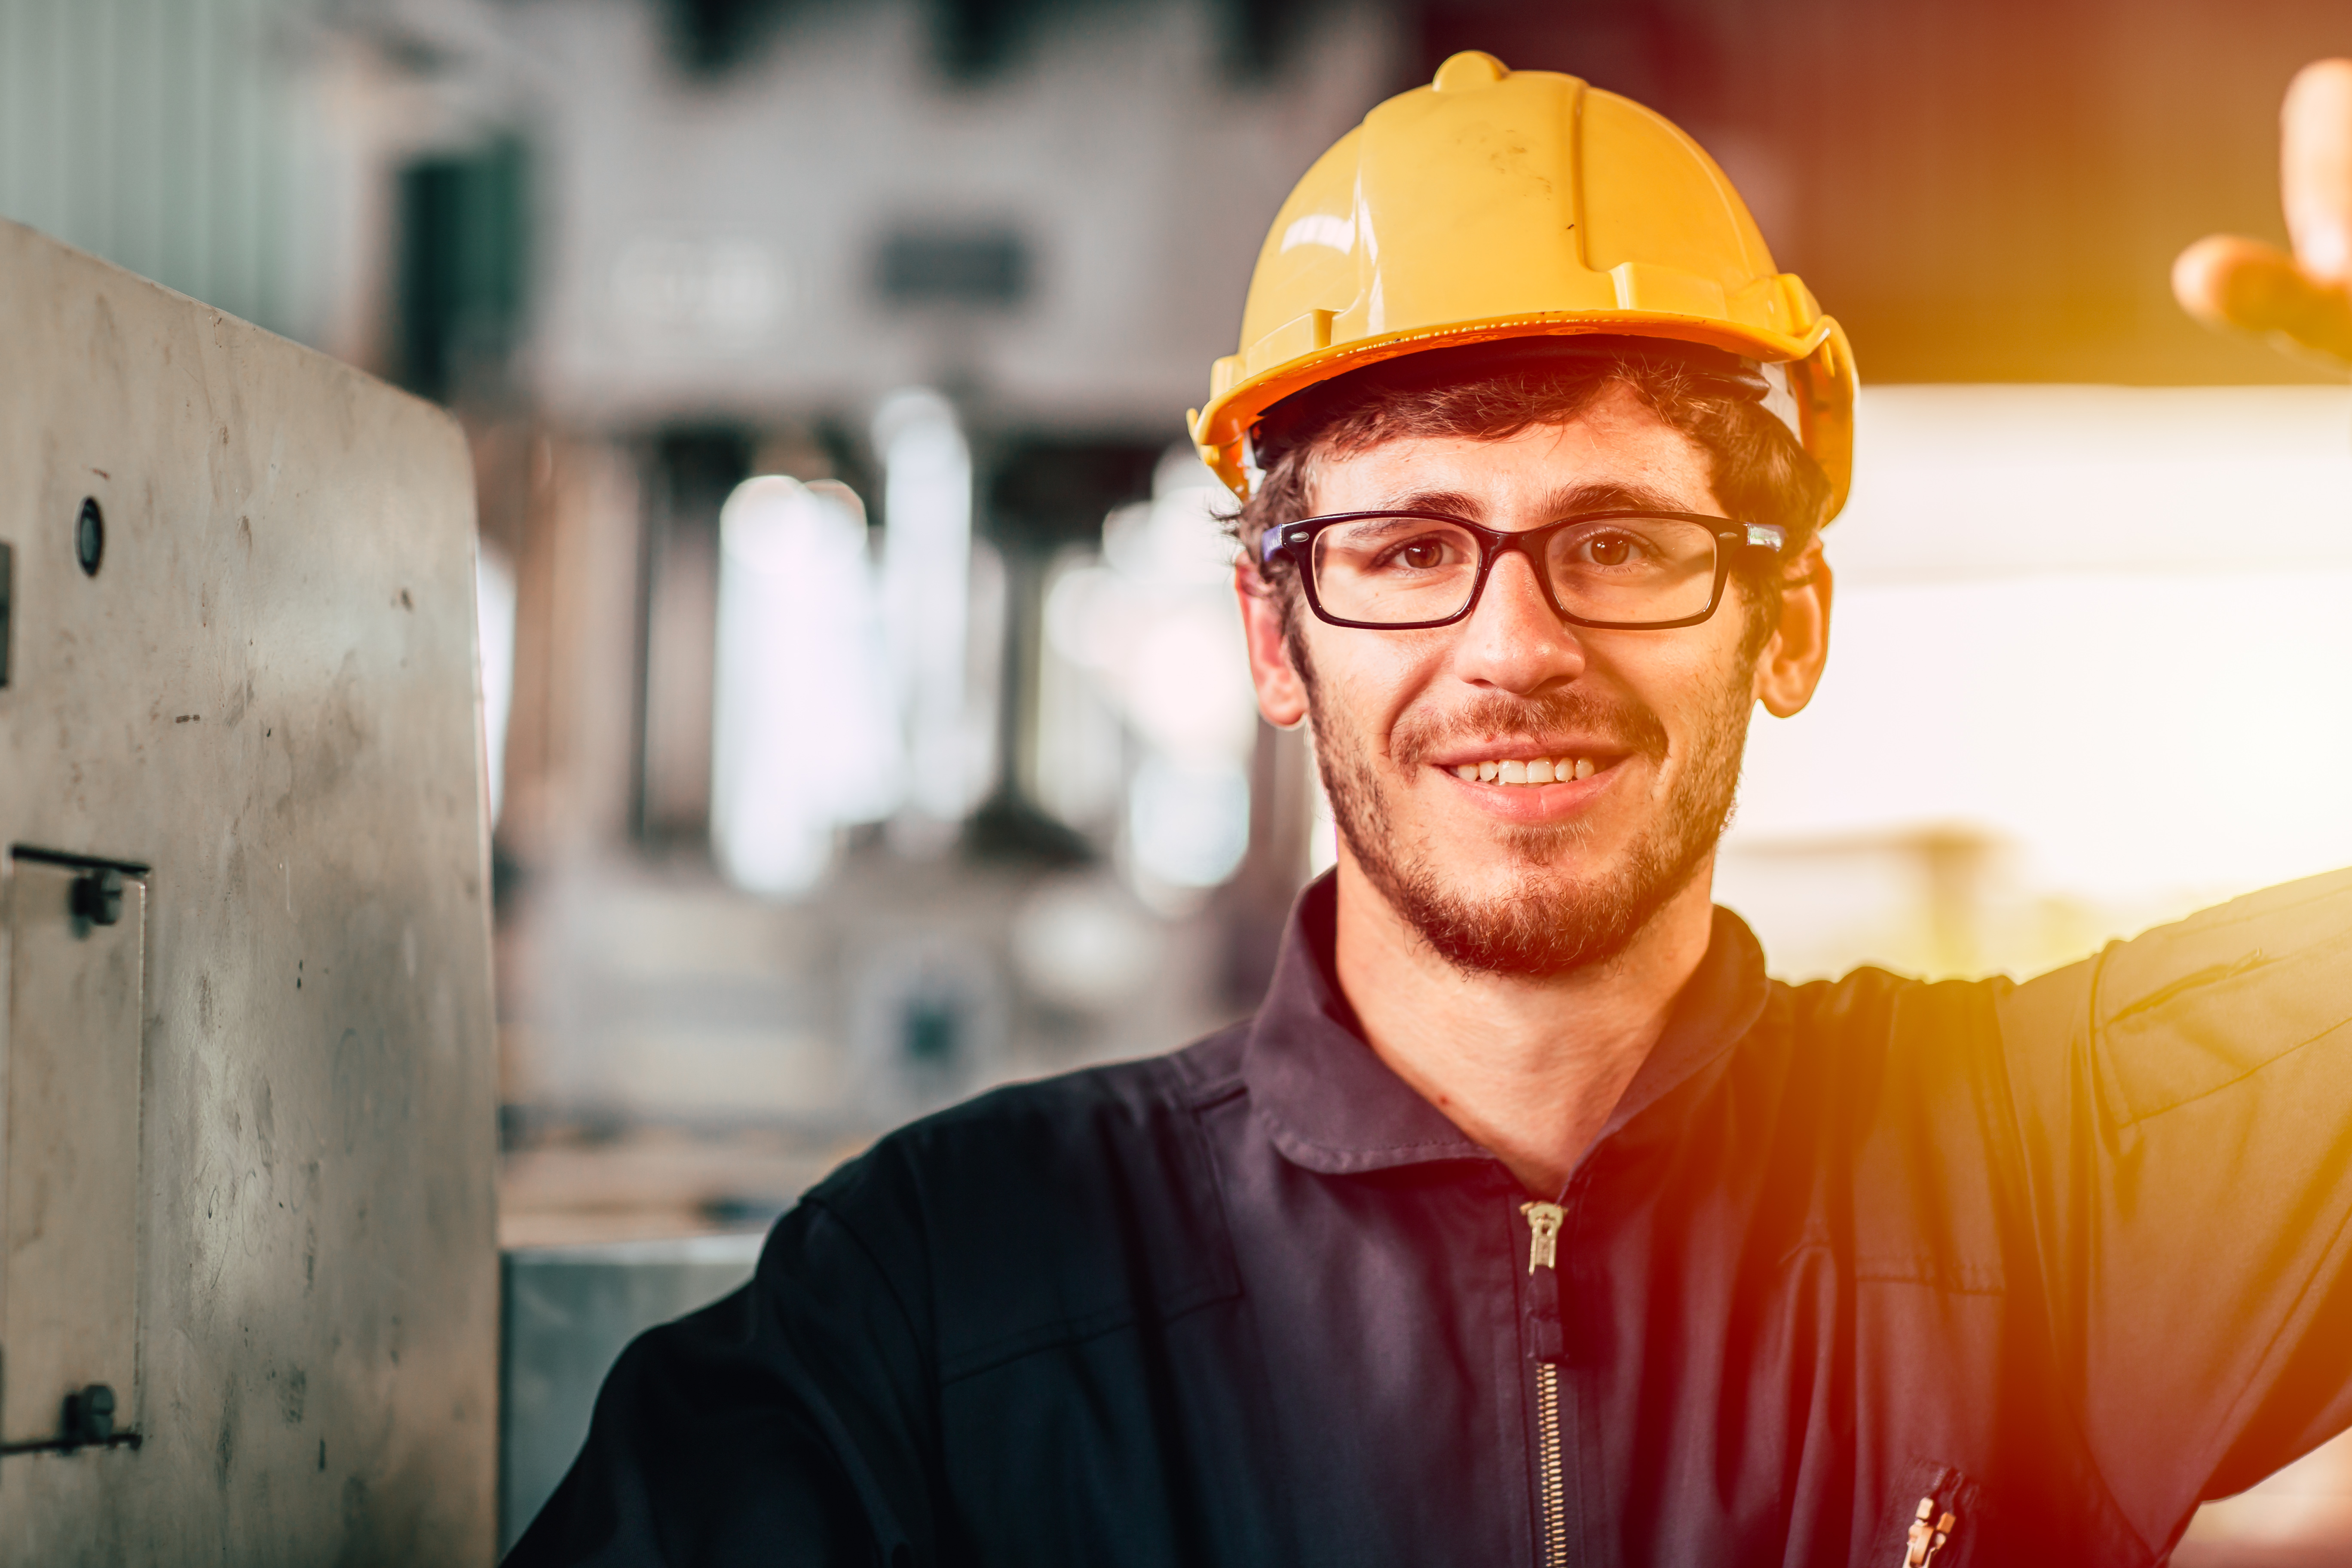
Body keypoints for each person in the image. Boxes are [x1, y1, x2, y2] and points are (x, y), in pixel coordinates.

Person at [511, 53, 2352, 1567]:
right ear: (1275, 634)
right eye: (1405, 549)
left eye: (1620, 542)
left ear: (1786, 622)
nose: (1516, 647)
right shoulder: (944, 1296)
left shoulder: (2050, 1174)